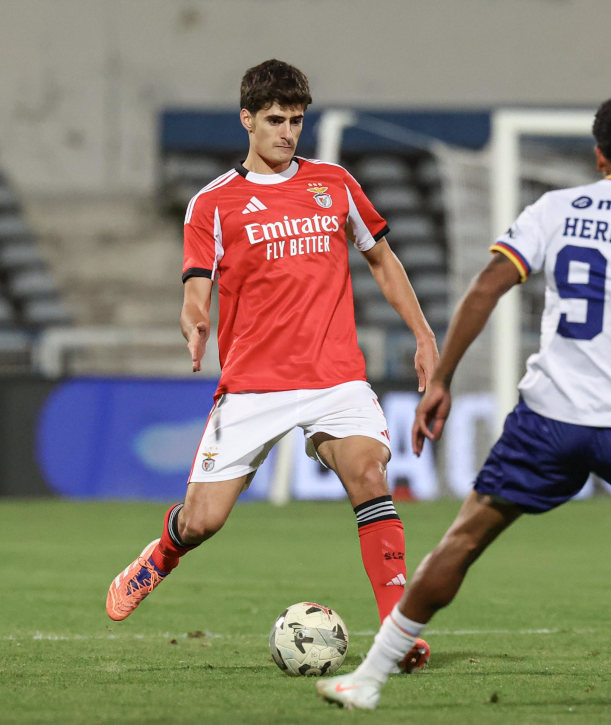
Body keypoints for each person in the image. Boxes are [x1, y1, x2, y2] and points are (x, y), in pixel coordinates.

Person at [316, 89, 611, 709]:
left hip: (549, 421)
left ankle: (369, 678)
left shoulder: (556, 208)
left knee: (464, 538)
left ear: (599, 155)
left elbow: (487, 288)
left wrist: (442, 380)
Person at [105, 59, 436, 672]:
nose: (288, 132)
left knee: (368, 473)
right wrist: (194, 317)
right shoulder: (213, 203)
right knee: (203, 521)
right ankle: (165, 552)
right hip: (254, 387)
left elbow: (384, 261)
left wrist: (423, 334)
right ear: (247, 121)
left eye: (297, 121)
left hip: (336, 376)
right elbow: (196, 286)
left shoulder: (334, 185)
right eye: (276, 120)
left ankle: (398, 633)